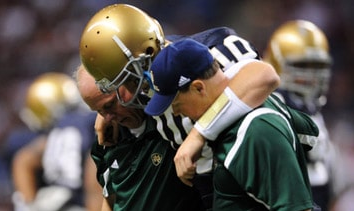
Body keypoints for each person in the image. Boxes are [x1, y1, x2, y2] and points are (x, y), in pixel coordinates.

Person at [79, 4, 279, 199]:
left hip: (267, 168)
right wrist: (106, 111)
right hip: (215, 189)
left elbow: (264, 76)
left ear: (147, 53)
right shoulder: (149, 76)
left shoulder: (208, 53)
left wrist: (199, 134)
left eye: (130, 79)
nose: (128, 94)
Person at [144, 38, 319, 211]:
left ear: (199, 88)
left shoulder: (256, 129)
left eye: (177, 104)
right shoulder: (236, 118)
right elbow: (307, 129)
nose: (176, 113)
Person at [75, 64, 205, 211]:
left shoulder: (170, 116)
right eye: (99, 110)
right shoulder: (107, 141)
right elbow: (110, 200)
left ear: (129, 81)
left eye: (110, 105)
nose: (108, 117)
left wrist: (197, 136)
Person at [262, 20, 334, 211]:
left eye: (318, 66)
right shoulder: (272, 106)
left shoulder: (308, 104)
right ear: (277, 63)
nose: (312, 75)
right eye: (302, 65)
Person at [10, 72, 100, 211]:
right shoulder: (91, 121)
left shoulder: (55, 134)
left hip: (59, 201)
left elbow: (23, 160)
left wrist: (28, 206)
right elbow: (94, 164)